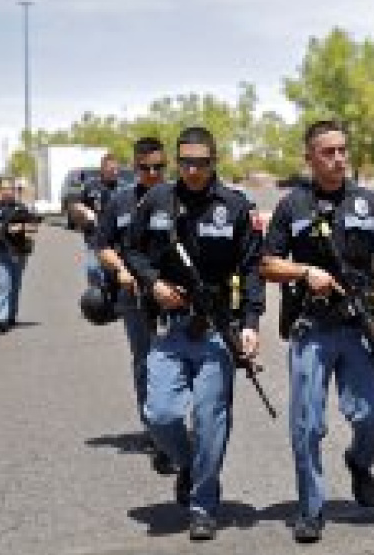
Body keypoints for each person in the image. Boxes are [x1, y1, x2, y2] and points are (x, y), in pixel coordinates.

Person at [261, 120, 374, 543]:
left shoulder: (368, 202)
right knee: (306, 424)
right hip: (312, 327)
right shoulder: (292, 206)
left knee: (371, 416)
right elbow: (266, 263)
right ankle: (311, 508)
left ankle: (359, 462)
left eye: (343, 150)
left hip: (359, 326)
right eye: (328, 152)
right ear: (309, 157)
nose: (339, 158)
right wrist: (305, 272)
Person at [124, 126, 264, 541]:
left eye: (201, 162)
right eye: (185, 162)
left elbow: (251, 270)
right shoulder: (157, 200)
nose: (192, 170)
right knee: (160, 415)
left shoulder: (234, 206)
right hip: (169, 327)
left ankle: (204, 504)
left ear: (214, 161)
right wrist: (153, 284)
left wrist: (250, 324)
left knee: (209, 419)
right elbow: (132, 249)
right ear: (177, 161)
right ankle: (188, 464)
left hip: (217, 329)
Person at [94, 137, 173, 474]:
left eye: (159, 167)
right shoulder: (120, 201)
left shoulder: (178, 197)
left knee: (176, 361)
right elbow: (102, 246)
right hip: (135, 296)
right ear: (135, 166)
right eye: (145, 168)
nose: (152, 173)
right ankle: (155, 430)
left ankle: (171, 423)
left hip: (173, 296)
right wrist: (121, 270)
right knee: (145, 361)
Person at [0, 181, 40, 334]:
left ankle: (11, 316)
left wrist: (19, 227)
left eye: (11, 189)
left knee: (15, 285)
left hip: (18, 252)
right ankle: (1, 319)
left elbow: (34, 227)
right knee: (3, 285)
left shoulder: (21, 208)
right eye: (5, 189)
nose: (8, 192)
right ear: (0, 191)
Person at [70, 153, 121, 287]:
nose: (115, 172)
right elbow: (77, 205)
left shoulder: (122, 188)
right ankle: (96, 295)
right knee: (94, 270)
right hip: (94, 238)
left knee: (114, 274)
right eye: (111, 169)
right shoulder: (91, 186)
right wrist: (86, 211)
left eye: (117, 169)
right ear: (103, 169)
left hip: (116, 240)